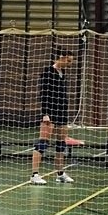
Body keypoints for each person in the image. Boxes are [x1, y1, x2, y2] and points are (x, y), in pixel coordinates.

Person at [30, 49, 77, 185]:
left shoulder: (63, 73)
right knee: (43, 142)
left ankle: (60, 173)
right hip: (50, 112)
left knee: (61, 143)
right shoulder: (48, 72)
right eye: (68, 61)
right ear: (61, 57)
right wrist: (45, 113)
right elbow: (43, 93)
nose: (69, 64)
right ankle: (34, 175)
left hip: (62, 112)